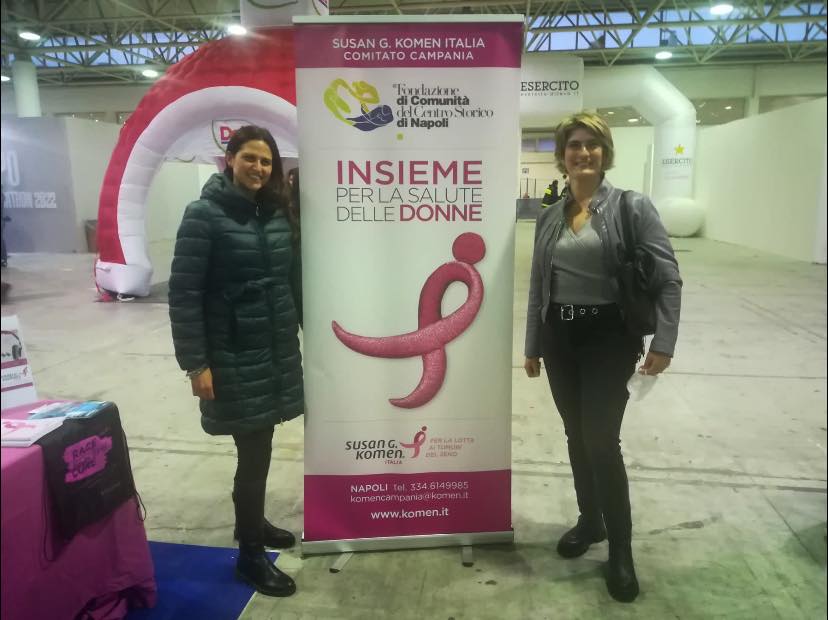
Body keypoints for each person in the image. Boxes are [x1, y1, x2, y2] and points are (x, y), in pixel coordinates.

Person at [523, 112, 681, 603]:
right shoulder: (550, 215)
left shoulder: (632, 207)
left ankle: (621, 550)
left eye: (592, 144)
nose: (583, 152)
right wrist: (532, 344)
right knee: (576, 435)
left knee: (600, 440)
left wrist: (664, 341)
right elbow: (538, 286)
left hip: (609, 340)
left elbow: (668, 277)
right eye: (574, 144)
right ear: (563, 155)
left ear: (605, 152)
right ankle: (590, 521)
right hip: (560, 338)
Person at [168, 125, 303, 598]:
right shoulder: (203, 215)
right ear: (229, 159)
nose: (258, 168)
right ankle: (250, 555)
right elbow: (184, 293)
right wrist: (196, 364)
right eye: (250, 158)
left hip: (276, 344)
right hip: (232, 350)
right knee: (254, 449)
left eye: (266, 161)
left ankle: (253, 524)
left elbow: (293, 277)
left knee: (259, 447)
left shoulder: (277, 212)